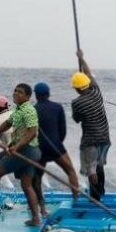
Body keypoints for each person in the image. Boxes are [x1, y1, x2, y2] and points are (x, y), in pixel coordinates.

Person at [0, 83, 44, 226]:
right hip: (25, 150)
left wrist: (16, 147)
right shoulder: (18, 110)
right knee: (26, 185)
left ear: (28, 96)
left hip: (25, 150)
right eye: (15, 91)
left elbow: (32, 132)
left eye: (20, 92)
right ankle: (36, 218)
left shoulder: (28, 110)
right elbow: (7, 124)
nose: (16, 94)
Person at [31, 82, 79, 213]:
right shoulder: (57, 107)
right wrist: (57, 143)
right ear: (48, 94)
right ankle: (76, 200)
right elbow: (62, 130)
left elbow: (29, 133)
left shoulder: (32, 110)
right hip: (56, 145)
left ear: (36, 95)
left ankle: (42, 208)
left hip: (39, 148)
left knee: (36, 178)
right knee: (70, 171)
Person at [71, 50, 111, 201]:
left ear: (75, 88)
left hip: (90, 141)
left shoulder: (77, 102)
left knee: (91, 169)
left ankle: (96, 196)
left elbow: (77, 119)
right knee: (99, 165)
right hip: (105, 138)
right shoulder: (96, 90)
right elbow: (88, 73)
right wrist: (81, 59)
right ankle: (99, 193)